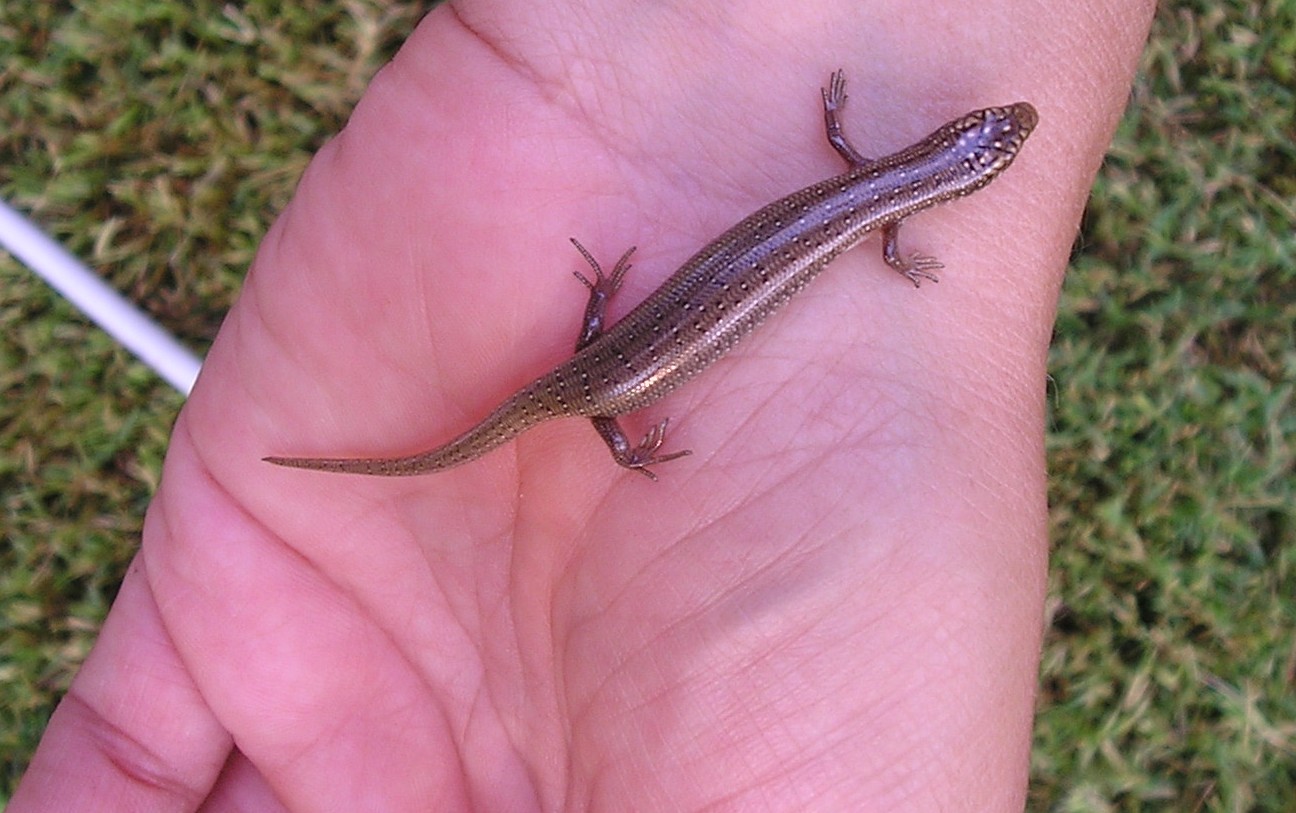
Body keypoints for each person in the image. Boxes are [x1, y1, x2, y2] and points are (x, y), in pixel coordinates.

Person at [10, 0, 1154, 809]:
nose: (984, 134)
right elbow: (865, 202)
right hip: (616, 370)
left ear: (960, 159)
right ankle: (556, 376)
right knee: (599, 378)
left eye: (981, 146)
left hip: (621, 364)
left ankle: (582, 352)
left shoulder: (872, 183)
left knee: (604, 368)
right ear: (960, 156)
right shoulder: (882, 213)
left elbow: (848, 152)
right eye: (983, 137)